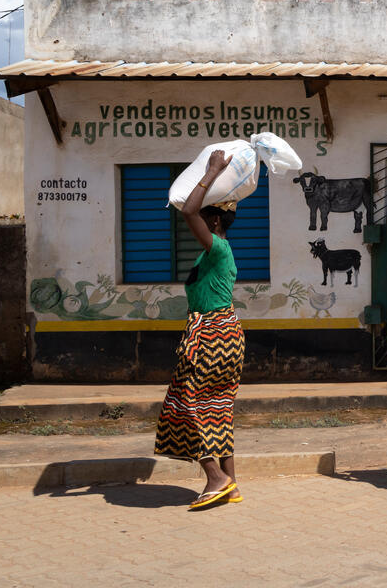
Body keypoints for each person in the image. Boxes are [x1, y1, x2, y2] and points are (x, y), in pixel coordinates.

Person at [154, 150, 246, 510]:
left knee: (184, 406)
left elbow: (188, 211)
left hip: (212, 335)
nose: (198, 226)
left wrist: (212, 172)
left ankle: (216, 478)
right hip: (221, 333)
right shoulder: (213, 255)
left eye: (206, 219)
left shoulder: (218, 247)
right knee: (216, 408)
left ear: (215, 223)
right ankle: (231, 484)